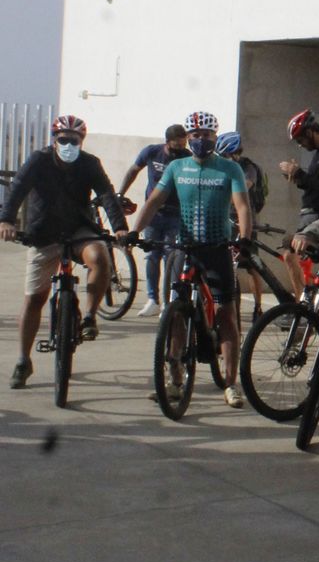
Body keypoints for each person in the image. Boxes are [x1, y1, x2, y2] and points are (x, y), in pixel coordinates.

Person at [120, 129, 253, 407]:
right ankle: (174, 379)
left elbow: (242, 206)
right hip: (185, 247)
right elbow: (154, 201)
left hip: (217, 248)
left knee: (225, 312)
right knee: (175, 311)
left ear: (215, 137)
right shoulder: (177, 168)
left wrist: (244, 239)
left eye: (206, 134)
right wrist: (135, 232)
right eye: (195, 133)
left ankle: (231, 383)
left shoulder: (230, 168)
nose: (200, 139)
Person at [0, 115, 126, 389]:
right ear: (54, 140)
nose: (69, 144)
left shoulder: (89, 164)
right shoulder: (39, 160)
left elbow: (106, 194)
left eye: (75, 140)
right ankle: (23, 360)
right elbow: (18, 188)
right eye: (63, 140)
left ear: (83, 141)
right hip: (43, 233)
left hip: (78, 229)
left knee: (100, 257)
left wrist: (120, 228)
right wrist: (6, 220)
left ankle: (90, 317)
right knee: (35, 299)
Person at [119, 124, 189, 316]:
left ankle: (169, 300)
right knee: (151, 256)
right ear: (167, 142)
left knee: (171, 257)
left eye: (183, 146)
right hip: (153, 213)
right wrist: (121, 193)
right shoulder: (152, 152)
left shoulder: (187, 157)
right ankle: (152, 299)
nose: (179, 151)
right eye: (176, 147)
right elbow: (134, 170)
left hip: (176, 214)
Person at [279, 109, 319, 297]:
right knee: (296, 254)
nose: (301, 145)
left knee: (290, 252)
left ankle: (301, 303)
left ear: (309, 132)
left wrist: (299, 174)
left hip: (317, 214)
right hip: (310, 213)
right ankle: (309, 300)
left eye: (300, 140)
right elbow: (314, 184)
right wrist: (298, 177)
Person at [218, 132, 269, 322]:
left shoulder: (249, 168)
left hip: (245, 220)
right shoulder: (223, 166)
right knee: (228, 265)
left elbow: (244, 187)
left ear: (235, 152)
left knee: (251, 264)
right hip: (225, 219)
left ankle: (258, 307)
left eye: (227, 155)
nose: (224, 159)